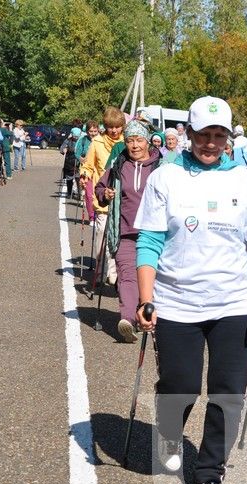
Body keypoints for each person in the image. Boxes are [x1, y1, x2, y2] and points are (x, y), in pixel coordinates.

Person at [134, 96, 247, 484]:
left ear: (227, 139)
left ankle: (209, 474)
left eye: (219, 136)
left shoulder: (241, 179)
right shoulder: (166, 177)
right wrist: (146, 299)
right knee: (180, 385)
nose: (211, 143)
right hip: (177, 300)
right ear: (190, 135)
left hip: (233, 302)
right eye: (204, 135)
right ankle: (169, 433)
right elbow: (148, 241)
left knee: (228, 390)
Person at [95, 120, 160, 342]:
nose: (134, 145)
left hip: (156, 233)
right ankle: (127, 321)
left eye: (138, 140)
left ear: (147, 142)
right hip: (124, 231)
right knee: (127, 276)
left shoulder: (161, 166)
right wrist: (106, 194)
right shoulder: (118, 164)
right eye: (130, 141)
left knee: (154, 278)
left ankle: (146, 314)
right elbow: (100, 188)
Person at [80, 107, 125, 286]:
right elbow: (89, 166)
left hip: (123, 198)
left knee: (119, 237)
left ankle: (113, 273)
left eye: (117, 127)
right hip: (102, 196)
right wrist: (84, 175)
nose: (114, 131)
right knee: (101, 234)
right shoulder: (97, 142)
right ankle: (100, 270)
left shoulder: (127, 142)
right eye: (110, 127)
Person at [60, 127, 83, 199]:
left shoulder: (82, 140)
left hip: (79, 162)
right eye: (74, 136)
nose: (76, 138)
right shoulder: (68, 140)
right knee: (69, 178)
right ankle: (69, 193)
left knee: (78, 178)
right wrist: (63, 150)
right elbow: (62, 148)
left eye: (77, 136)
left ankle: (80, 194)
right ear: (72, 135)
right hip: (69, 161)